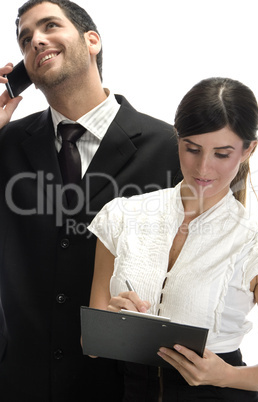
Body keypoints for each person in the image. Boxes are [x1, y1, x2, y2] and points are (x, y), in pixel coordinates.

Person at [0, 1, 181, 401]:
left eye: (49, 26)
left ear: (91, 40)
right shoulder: (6, 143)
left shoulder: (170, 148)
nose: (36, 41)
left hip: (124, 386)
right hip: (20, 384)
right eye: (25, 38)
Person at [88, 77, 258, 401]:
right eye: (192, 149)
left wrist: (225, 375)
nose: (203, 167)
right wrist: (114, 321)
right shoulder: (122, 215)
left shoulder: (256, 242)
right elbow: (92, 348)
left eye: (222, 154)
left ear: (248, 150)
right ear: (178, 138)